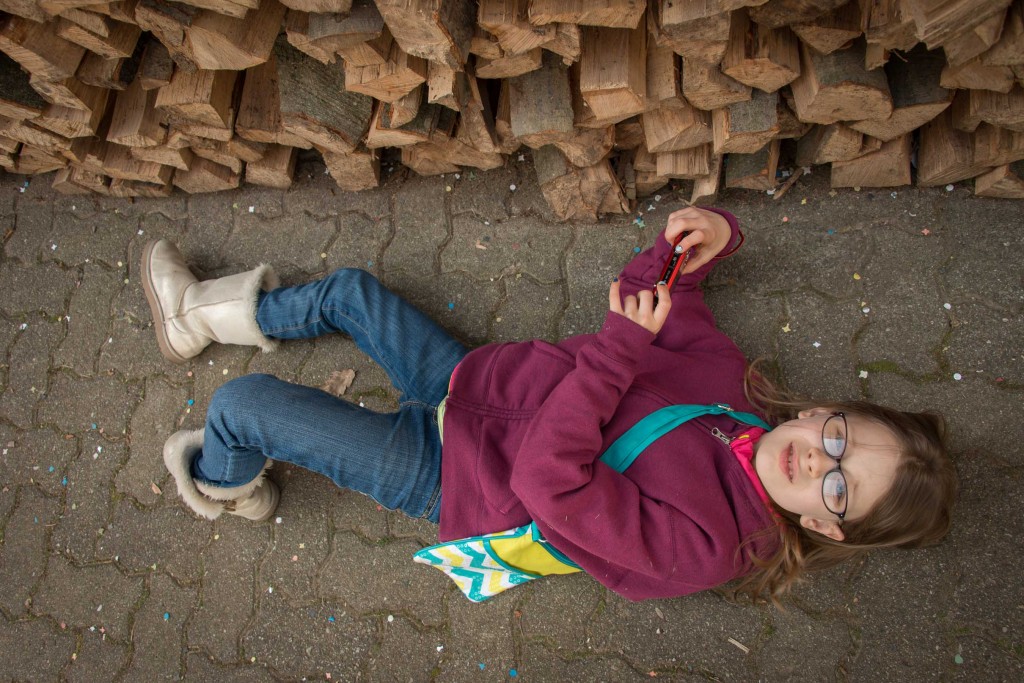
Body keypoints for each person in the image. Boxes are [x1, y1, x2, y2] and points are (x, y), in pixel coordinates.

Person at [143, 207, 957, 603]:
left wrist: (615, 356)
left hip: (454, 476)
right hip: (479, 385)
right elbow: (652, 301)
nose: (819, 458)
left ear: (823, 524)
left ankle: (225, 482)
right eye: (841, 436)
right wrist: (697, 248)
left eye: (838, 486)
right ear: (824, 413)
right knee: (354, 291)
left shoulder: (705, 546)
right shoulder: (737, 391)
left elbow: (548, 481)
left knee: (243, 406)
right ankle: (199, 317)